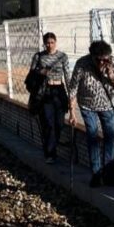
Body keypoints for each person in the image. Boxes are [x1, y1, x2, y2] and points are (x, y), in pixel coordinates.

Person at [69, 40, 114, 188]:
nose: (101, 62)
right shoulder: (82, 64)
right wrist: (72, 113)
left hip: (107, 105)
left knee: (110, 138)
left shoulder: (113, 63)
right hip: (87, 105)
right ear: (92, 56)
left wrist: (112, 76)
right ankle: (96, 174)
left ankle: (110, 176)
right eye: (98, 59)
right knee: (92, 136)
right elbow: (73, 88)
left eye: (104, 59)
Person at [28, 32, 71, 164]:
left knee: (59, 124)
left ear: (55, 42)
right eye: (47, 43)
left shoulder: (62, 56)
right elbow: (31, 74)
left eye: (52, 42)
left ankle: (52, 146)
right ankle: (50, 153)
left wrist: (71, 96)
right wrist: (40, 72)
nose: (50, 45)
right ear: (44, 43)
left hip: (59, 91)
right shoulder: (38, 56)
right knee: (48, 123)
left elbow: (67, 75)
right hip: (45, 91)